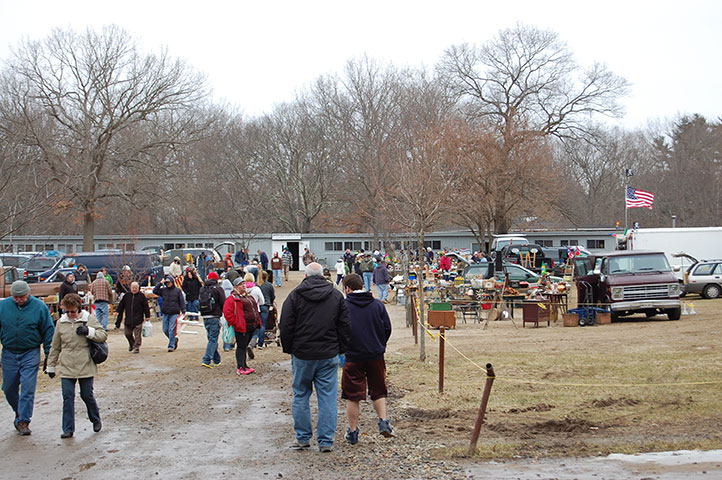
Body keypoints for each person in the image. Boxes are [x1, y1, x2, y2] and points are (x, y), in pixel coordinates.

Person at [280, 262, 351, 452]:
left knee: (301, 395)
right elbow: (345, 325)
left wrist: (289, 348)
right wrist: (341, 349)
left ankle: (303, 437)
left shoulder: (295, 296)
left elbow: (286, 324)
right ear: (323, 275)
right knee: (327, 397)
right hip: (328, 353)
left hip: (303, 353)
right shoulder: (335, 295)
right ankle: (326, 440)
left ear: (305, 276)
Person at [341, 273, 394, 444]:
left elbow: (339, 329)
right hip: (375, 354)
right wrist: (379, 344)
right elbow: (387, 327)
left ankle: (353, 431)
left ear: (347, 288)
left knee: (352, 395)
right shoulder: (377, 305)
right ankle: (383, 421)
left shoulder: (344, 306)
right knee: (378, 389)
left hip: (353, 355)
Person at [46, 293, 107, 438]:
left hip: (85, 362)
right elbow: (55, 346)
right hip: (67, 365)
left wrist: (89, 332)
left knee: (86, 395)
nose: (70, 314)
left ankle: (95, 418)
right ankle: (68, 428)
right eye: (67, 311)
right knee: (67, 397)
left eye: (73, 311)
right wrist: (51, 366)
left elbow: (103, 335)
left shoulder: (88, 319)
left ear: (78, 309)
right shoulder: (61, 323)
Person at [0, 281, 54, 436]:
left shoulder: (39, 307)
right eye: (16, 297)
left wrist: (49, 354)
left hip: (30, 352)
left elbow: (48, 331)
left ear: (28, 293)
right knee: (8, 388)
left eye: (22, 296)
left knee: (27, 387)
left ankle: (24, 421)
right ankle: (19, 411)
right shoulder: (3, 307)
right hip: (9, 352)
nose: (19, 300)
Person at [223, 278, 259, 375]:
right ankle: (240, 367)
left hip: (251, 325)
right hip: (242, 326)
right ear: (235, 286)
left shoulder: (247, 296)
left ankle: (244, 365)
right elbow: (227, 312)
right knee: (241, 347)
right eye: (240, 284)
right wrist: (236, 323)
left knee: (244, 346)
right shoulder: (233, 298)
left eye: (244, 284)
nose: (243, 286)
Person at [199, 271, 226, 368]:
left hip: (205, 316)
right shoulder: (218, 289)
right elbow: (223, 302)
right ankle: (206, 360)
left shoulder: (202, 289)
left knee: (211, 338)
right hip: (215, 316)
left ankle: (217, 360)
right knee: (213, 339)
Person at [115, 281, 150, 354]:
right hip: (128, 319)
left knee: (137, 335)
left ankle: (136, 347)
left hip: (138, 318)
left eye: (136, 288)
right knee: (127, 333)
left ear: (138, 288)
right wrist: (117, 311)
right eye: (133, 288)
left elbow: (146, 306)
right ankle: (132, 344)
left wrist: (147, 316)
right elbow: (121, 304)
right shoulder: (127, 295)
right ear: (130, 288)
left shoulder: (142, 296)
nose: (134, 289)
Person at [152, 275, 186, 352]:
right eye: (166, 282)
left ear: (172, 282)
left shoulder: (177, 291)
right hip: (165, 313)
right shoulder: (163, 290)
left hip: (174, 313)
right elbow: (154, 291)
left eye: (169, 282)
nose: (168, 284)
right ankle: (174, 340)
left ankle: (171, 346)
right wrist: (160, 283)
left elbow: (181, 301)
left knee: (171, 330)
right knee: (165, 329)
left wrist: (183, 310)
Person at [256, 271, 275, 350]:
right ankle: (260, 343)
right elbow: (272, 296)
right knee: (263, 325)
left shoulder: (257, 285)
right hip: (265, 305)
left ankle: (253, 341)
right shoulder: (269, 285)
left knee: (256, 324)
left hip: (257, 306)